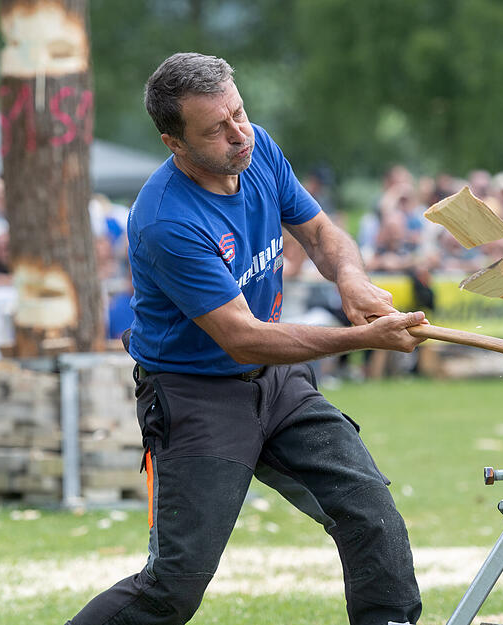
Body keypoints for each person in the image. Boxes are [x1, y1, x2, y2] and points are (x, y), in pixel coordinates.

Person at [66, 52, 425, 625]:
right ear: (173, 142)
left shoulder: (258, 150)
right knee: (172, 588)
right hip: (195, 396)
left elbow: (320, 231)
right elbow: (244, 338)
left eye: (239, 113)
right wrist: (363, 338)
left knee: (369, 514)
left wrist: (354, 281)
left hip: (280, 385)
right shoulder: (166, 219)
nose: (240, 135)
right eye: (217, 128)